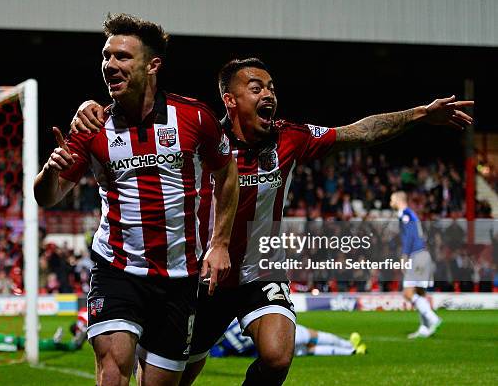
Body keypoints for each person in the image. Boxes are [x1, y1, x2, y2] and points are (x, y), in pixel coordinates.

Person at [70, 58, 473, 385]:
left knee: (278, 357)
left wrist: (421, 114)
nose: (269, 94)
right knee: (170, 379)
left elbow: (359, 133)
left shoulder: (289, 138)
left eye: (272, 87)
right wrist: (94, 109)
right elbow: (143, 126)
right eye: (257, 87)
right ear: (230, 100)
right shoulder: (203, 139)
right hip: (204, 279)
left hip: (260, 272)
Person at [34, 13, 239, 386]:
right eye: (106, 56)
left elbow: (227, 173)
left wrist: (220, 242)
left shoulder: (194, 117)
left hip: (179, 276)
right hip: (117, 269)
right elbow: (46, 197)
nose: (110, 65)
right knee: (113, 375)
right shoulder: (92, 129)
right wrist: (50, 170)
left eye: (123, 57)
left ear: (152, 65)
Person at [389, 191, 442, 338]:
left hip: (416, 255)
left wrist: (405, 255)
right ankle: (424, 328)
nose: (390, 202)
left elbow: (410, 235)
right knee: (419, 293)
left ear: (399, 200)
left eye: (391, 199)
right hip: (424, 255)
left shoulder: (404, 214)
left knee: (408, 293)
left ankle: (432, 318)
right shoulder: (411, 214)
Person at [209, 318, 366, 358]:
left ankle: (351, 352)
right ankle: (348, 344)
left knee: (309, 350)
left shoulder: (221, 347)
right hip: (273, 334)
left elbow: (217, 354)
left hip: (268, 350)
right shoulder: (226, 321)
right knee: (312, 336)